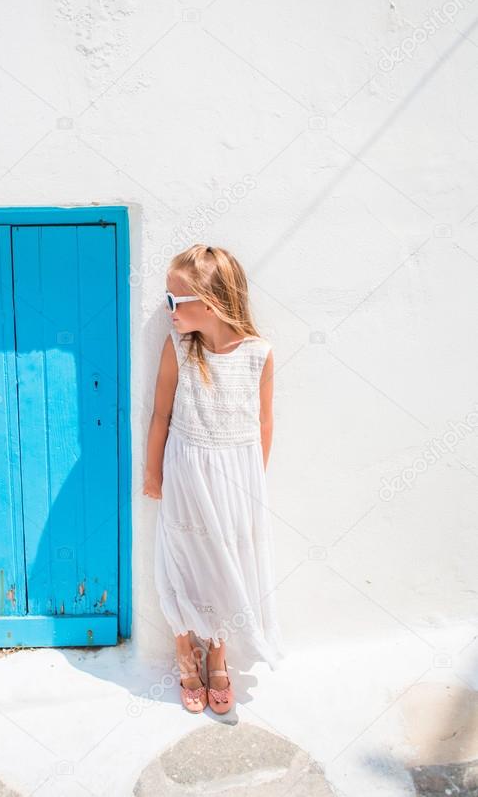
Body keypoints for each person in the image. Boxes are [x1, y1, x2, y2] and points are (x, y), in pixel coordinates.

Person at [143, 243, 285, 714]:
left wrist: (252, 484)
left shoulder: (258, 355)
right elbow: (161, 414)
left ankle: (219, 651)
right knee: (180, 558)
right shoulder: (179, 348)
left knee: (227, 561)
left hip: (233, 480)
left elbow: (263, 424)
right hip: (185, 472)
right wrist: (152, 472)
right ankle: (185, 648)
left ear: (210, 302)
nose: (168, 311)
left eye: (173, 300)